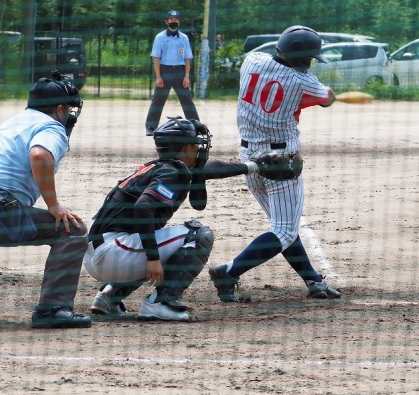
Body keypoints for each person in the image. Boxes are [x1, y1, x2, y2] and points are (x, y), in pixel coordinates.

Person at [84, 116, 280, 321]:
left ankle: (109, 296)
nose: (200, 148)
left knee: (158, 242)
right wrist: (153, 259)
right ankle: (159, 303)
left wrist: (253, 167)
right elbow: (143, 206)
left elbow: (210, 169)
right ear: (186, 147)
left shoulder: (160, 167)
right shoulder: (170, 172)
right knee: (198, 236)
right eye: (196, 143)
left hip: (99, 254)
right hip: (113, 253)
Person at [208, 25, 342, 303]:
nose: (311, 61)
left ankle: (314, 281)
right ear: (301, 57)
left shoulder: (252, 60)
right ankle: (229, 271)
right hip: (282, 161)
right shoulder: (303, 81)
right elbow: (327, 98)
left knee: (284, 228)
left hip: (249, 159)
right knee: (284, 230)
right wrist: (329, 95)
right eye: (310, 57)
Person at [0, 71, 91, 328]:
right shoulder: (51, 126)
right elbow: (39, 155)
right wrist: (53, 205)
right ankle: (53, 309)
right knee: (73, 230)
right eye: (69, 109)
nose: (70, 114)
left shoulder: (15, 122)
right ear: (59, 109)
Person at [145, 10, 199, 136]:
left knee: (187, 100)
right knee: (158, 101)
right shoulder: (160, 37)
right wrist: (158, 76)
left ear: (179, 21)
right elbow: (156, 58)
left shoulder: (184, 38)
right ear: (166, 21)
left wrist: (186, 76)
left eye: (176, 19)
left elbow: (187, 59)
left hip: (180, 71)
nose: (173, 21)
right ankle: (151, 127)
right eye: (171, 19)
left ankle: (196, 126)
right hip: (165, 71)